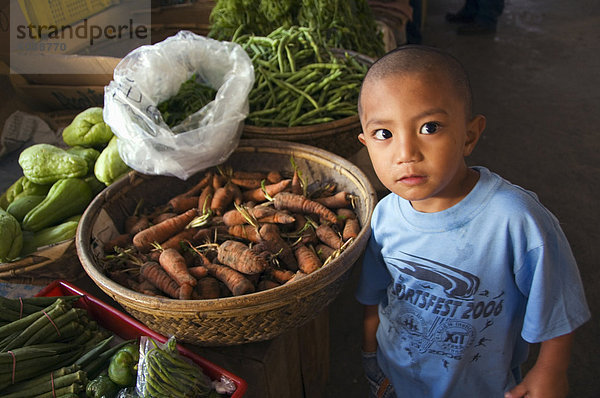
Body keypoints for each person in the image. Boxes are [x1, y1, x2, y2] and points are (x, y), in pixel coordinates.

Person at [355, 45, 591, 398]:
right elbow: (376, 293)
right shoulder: (385, 214)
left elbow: (558, 302)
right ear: (366, 144)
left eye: (429, 127)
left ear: (469, 135)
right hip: (395, 378)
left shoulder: (514, 220)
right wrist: (371, 345)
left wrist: (550, 371)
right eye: (384, 134)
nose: (406, 154)